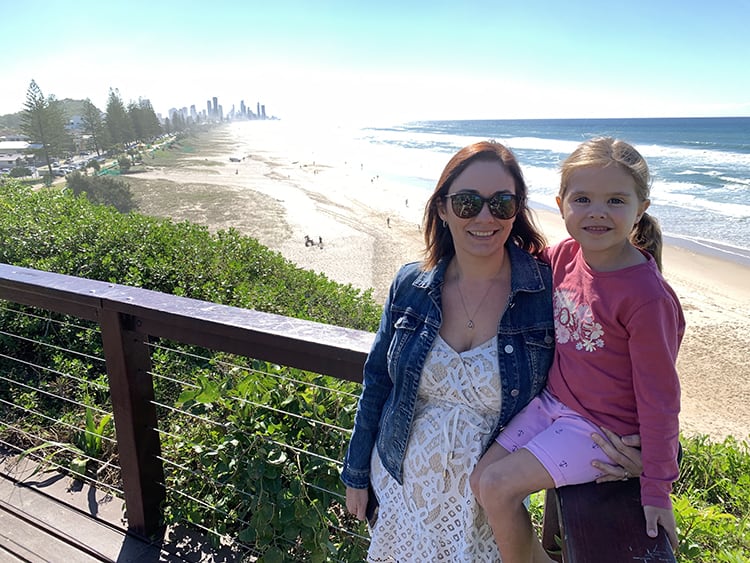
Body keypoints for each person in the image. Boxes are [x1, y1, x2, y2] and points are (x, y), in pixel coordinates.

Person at [341, 141, 643, 562]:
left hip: (485, 514)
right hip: (400, 490)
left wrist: (650, 455)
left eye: (501, 203)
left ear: (517, 210)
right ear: (442, 209)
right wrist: (356, 474)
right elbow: (378, 382)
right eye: (467, 203)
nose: (485, 217)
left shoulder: (547, 288)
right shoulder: (410, 285)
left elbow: (626, 371)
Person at [471, 137, 684, 562]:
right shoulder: (567, 255)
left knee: (497, 486)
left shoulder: (646, 298)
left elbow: (661, 398)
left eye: (615, 200)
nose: (597, 212)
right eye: (582, 198)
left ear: (640, 208)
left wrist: (657, 488)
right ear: (561, 203)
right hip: (552, 405)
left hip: (601, 430)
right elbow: (522, 262)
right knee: (480, 480)